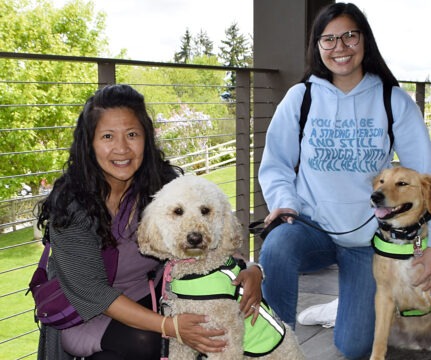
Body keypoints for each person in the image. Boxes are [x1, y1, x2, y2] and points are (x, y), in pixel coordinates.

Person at [258, 3, 431, 359]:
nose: (340, 47)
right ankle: (274, 347)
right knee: (277, 247)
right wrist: (284, 202)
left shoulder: (391, 100)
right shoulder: (301, 98)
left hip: (367, 240)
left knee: (355, 345)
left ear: (365, 40)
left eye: (350, 36)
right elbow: (276, 165)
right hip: (311, 226)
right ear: (317, 47)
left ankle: (342, 308)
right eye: (328, 39)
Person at [35, 84, 264, 360]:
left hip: (154, 299)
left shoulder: (162, 186)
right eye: (108, 136)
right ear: (90, 142)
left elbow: (207, 232)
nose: (122, 148)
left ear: (146, 137)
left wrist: (251, 269)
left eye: (132, 134)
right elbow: (92, 291)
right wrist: (170, 326)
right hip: (89, 314)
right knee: (148, 342)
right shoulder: (72, 204)